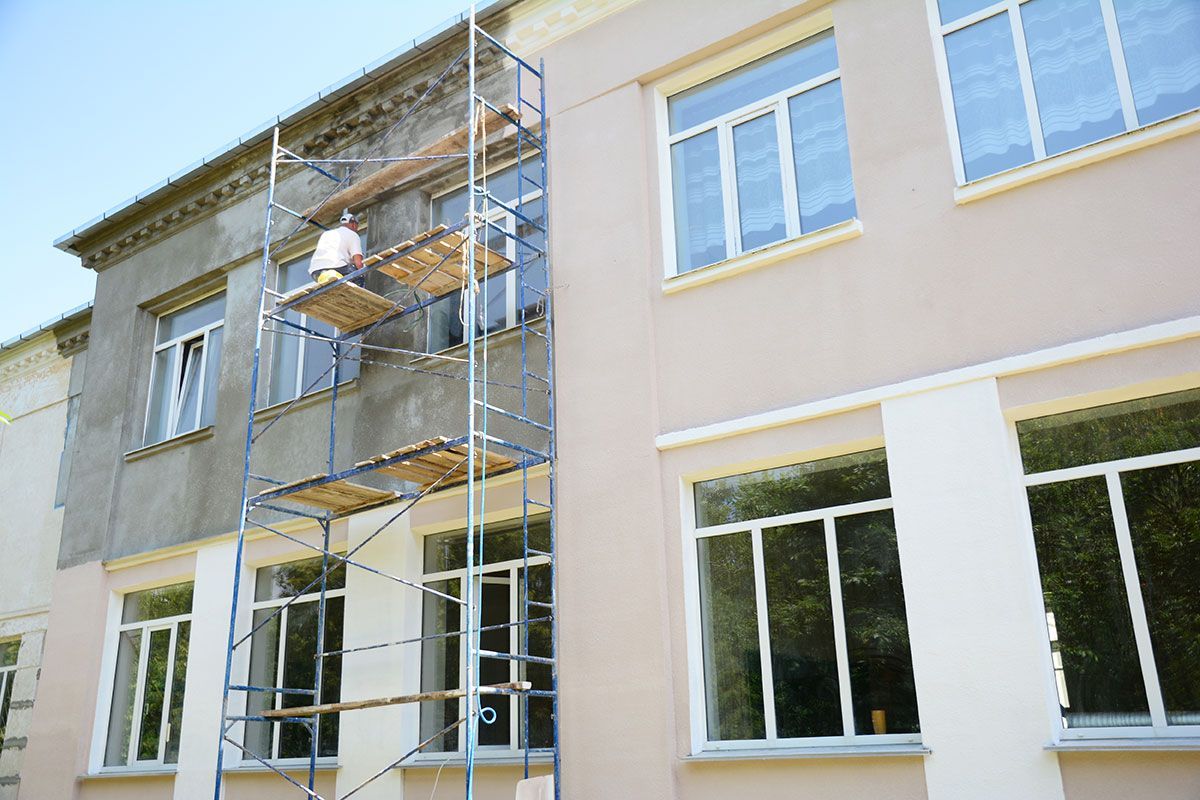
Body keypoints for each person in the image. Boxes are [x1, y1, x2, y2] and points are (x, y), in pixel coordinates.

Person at [309, 209, 365, 285]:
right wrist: (364, 272)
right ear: (354, 224)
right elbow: (358, 262)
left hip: (316, 272)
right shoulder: (352, 234)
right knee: (358, 276)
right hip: (335, 267)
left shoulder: (327, 233)